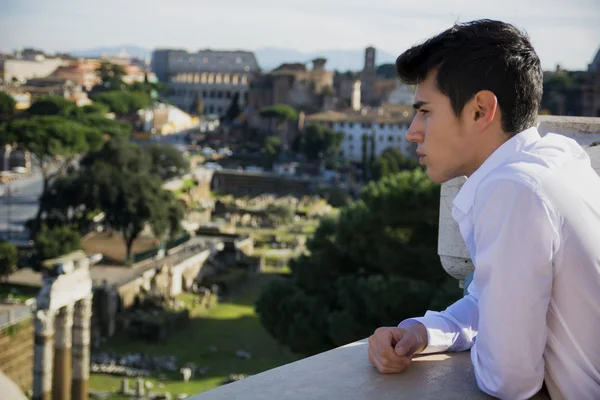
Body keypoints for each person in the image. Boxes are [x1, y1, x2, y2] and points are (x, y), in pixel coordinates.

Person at [367, 19, 600, 400]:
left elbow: (507, 380)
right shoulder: (557, 156)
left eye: (425, 111)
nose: (412, 131)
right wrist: (423, 333)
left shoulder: (514, 189)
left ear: (480, 110)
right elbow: (489, 301)